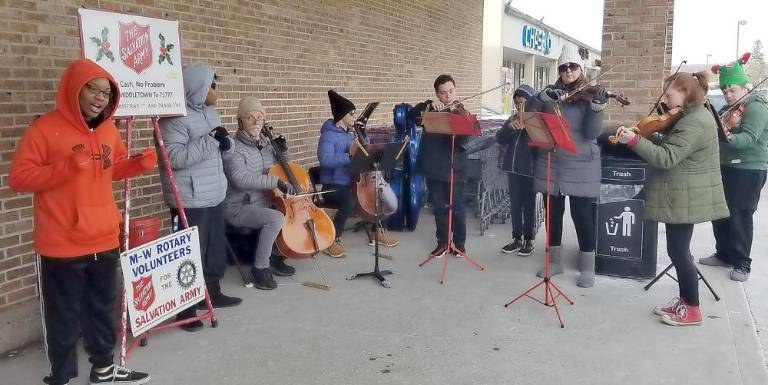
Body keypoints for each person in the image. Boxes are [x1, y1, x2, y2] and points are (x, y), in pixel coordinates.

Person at [9, 59, 153, 385]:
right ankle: (60, 375)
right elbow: (19, 178)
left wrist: (136, 165)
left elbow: (111, 169)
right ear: (75, 87)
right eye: (93, 89)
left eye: (106, 92)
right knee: (63, 315)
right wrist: (64, 168)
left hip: (103, 237)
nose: (100, 98)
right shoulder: (43, 128)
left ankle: (103, 370)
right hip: (61, 242)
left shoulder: (107, 130)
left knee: (101, 309)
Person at [615, 70, 729, 326]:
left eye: (669, 94)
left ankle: (693, 309)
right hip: (681, 192)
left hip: (685, 194)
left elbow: (667, 158)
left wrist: (634, 140)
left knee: (679, 252)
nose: (665, 99)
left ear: (686, 93)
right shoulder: (690, 116)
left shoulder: (695, 121)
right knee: (678, 250)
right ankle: (685, 300)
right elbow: (672, 145)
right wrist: (651, 134)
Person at [158, 64, 241, 332]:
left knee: (214, 248)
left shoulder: (210, 113)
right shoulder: (172, 119)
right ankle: (186, 310)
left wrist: (228, 145)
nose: (216, 91)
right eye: (213, 86)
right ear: (198, 88)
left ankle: (212, 292)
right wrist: (213, 141)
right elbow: (174, 158)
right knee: (189, 253)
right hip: (190, 197)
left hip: (214, 192)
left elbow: (218, 147)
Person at [527, 44, 608, 288]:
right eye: (564, 67)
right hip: (553, 161)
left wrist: (596, 109)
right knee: (553, 214)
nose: (568, 71)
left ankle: (587, 266)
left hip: (581, 163)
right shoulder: (551, 93)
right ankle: (554, 262)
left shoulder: (588, 95)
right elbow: (530, 115)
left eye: (573, 66)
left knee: (582, 215)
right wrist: (541, 98)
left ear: (580, 69)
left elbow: (592, 133)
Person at [700, 54, 768, 282]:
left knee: (740, 215)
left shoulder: (756, 107)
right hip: (726, 165)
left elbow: (749, 138)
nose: (728, 94)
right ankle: (723, 254)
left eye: (733, 90)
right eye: (725, 90)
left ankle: (742, 262)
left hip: (748, 169)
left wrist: (724, 137)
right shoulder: (730, 108)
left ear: (745, 87)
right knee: (720, 212)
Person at [222, 96, 296, 289]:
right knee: (275, 218)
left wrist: (283, 152)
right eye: (249, 117)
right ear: (240, 121)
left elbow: (280, 169)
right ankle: (260, 269)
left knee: (288, 210)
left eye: (260, 117)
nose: (256, 122)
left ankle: (275, 256)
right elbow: (240, 179)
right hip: (239, 205)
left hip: (263, 201)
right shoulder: (234, 148)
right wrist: (274, 182)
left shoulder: (266, 145)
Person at [318, 90, 398, 258]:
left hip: (352, 182)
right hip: (333, 185)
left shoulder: (351, 133)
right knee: (349, 200)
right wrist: (348, 157)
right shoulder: (328, 136)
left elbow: (364, 151)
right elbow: (325, 160)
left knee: (378, 193)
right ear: (342, 116)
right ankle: (333, 239)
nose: (355, 116)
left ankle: (378, 231)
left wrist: (363, 135)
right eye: (351, 113)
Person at [409, 74, 471, 258]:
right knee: (439, 208)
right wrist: (428, 107)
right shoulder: (430, 110)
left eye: (451, 91)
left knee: (457, 207)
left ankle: (459, 244)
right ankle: (442, 243)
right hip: (434, 167)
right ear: (437, 94)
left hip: (455, 168)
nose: (448, 97)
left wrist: (458, 117)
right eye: (443, 93)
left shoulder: (461, 112)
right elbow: (411, 115)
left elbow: (465, 139)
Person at [496, 84, 538, 256]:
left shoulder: (536, 121)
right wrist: (508, 129)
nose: (520, 107)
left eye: (523, 103)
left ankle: (528, 240)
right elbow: (500, 139)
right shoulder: (512, 118)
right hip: (512, 170)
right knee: (515, 206)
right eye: (517, 103)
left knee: (528, 206)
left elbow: (540, 146)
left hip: (529, 170)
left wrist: (529, 127)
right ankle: (516, 239)